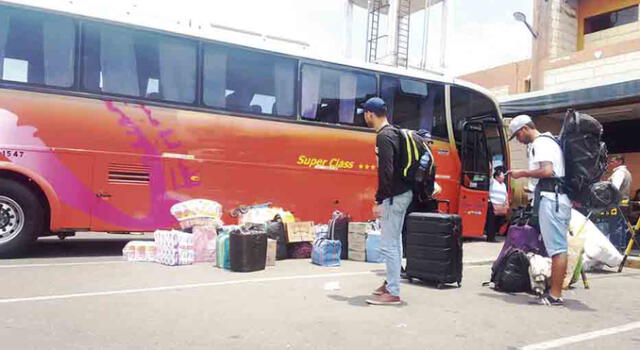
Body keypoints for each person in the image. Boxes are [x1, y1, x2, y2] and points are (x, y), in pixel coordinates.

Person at [507, 115, 571, 306]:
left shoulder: (541, 143)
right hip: (554, 198)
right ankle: (554, 291)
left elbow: (547, 171)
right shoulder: (549, 141)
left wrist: (522, 173)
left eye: (518, 135)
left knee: (557, 249)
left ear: (525, 129)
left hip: (552, 200)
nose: (518, 139)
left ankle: (555, 295)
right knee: (557, 247)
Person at [362, 97, 413, 306]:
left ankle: (393, 292)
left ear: (370, 114)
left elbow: (386, 172)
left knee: (389, 244)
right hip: (402, 193)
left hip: (395, 196)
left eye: (365, 114)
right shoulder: (394, 132)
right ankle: (391, 281)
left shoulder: (384, 136)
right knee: (396, 241)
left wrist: (379, 199)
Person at [485, 168, 509, 242]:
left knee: (500, 221)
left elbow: (506, 194)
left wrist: (506, 203)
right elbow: (490, 175)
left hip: (501, 206)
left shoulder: (504, 185)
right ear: (497, 177)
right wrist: (490, 167)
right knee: (491, 222)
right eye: (502, 175)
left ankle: (493, 234)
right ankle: (490, 238)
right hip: (493, 205)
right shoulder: (493, 182)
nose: (504, 177)